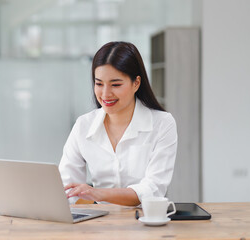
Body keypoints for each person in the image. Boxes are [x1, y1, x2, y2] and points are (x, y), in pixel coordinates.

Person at [58, 41, 178, 206]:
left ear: (136, 83)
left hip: (145, 222)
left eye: (115, 84)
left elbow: (153, 189)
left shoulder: (163, 124)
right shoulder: (83, 125)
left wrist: (98, 194)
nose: (105, 94)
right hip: (99, 224)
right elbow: (67, 185)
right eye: (99, 84)